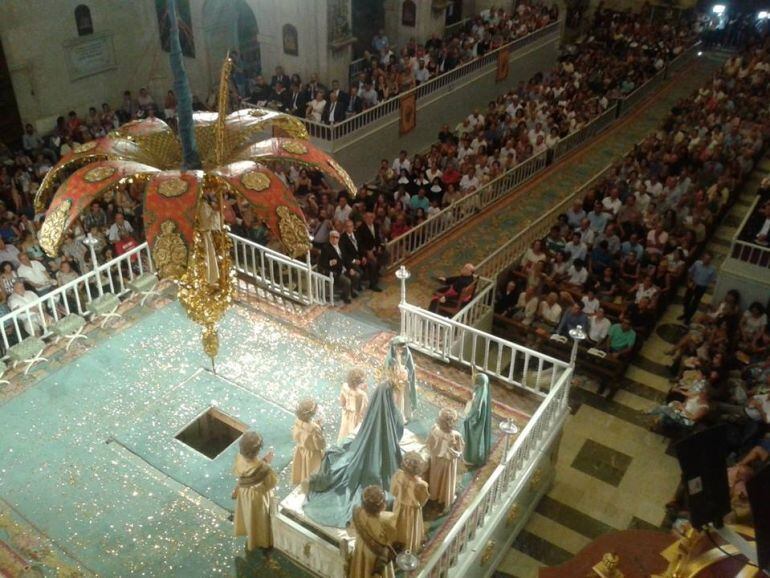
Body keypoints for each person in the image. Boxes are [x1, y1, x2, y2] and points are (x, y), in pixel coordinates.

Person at [304, 381, 404, 528]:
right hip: (385, 455)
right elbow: (399, 433)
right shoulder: (395, 413)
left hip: (361, 449)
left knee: (339, 457)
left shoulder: (372, 409)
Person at [231, 431, 277, 551]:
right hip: (257, 496)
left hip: (245, 493)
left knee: (248, 514)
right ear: (258, 449)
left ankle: (250, 534)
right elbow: (270, 484)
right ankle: (262, 540)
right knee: (260, 518)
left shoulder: (239, 459)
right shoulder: (264, 468)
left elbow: (243, 472)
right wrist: (266, 462)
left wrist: (263, 461)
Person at [349, 485, 398, 578]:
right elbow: (392, 540)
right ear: (382, 505)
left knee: (361, 570)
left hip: (361, 548)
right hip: (376, 558)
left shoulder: (358, 512)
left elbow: (353, 528)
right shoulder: (388, 520)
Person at [390, 452, 429, 554]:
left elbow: (393, 491)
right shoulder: (421, 485)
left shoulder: (397, 475)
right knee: (410, 527)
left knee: (398, 522)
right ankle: (409, 544)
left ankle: (396, 540)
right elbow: (423, 500)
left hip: (399, 504)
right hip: (412, 510)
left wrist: (401, 497)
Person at [426, 408, 464, 511]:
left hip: (437, 459)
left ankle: (434, 494)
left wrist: (435, 450)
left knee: (435, 477)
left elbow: (429, 444)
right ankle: (444, 496)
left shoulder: (435, 430)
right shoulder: (456, 435)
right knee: (446, 479)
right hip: (448, 461)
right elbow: (459, 450)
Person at [291, 398, 326, 486]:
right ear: (312, 413)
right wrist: (320, 429)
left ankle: (303, 482)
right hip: (313, 454)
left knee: (303, 467)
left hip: (301, 449)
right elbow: (320, 445)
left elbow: (296, 435)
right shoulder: (314, 428)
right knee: (312, 470)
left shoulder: (297, 422)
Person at [383, 336, 417, 422]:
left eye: (402, 349)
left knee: (402, 399)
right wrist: (392, 377)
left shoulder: (407, 354)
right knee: (393, 398)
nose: (400, 351)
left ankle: (402, 415)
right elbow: (387, 369)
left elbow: (410, 368)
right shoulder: (390, 357)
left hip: (402, 382)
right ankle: (391, 415)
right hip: (393, 381)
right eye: (398, 349)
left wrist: (406, 374)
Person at [462, 373, 492, 467]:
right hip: (482, 419)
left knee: (473, 439)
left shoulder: (479, 395)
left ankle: (470, 458)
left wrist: (467, 419)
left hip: (475, 423)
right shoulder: (484, 391)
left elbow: (475, 412)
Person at [318, 230, 356, 303]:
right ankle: (346, 297)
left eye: (337, 237)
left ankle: (349, 291)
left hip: (344, 267)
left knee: (356, 275)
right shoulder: (325, 248)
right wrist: (330, 262)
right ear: (330, 238)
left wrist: (350, 268)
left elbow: (345, 259)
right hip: (334, 271)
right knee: (347, 281)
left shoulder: (341, 245)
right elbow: (322, 263)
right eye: (333, 237)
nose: (335, 239)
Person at [680, 253, 716, 325]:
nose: (705, 260)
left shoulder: (712, 269)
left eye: (708, 259)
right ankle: (685, 313)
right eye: (705, 258)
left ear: (711, 260)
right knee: (686, 300)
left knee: (695, 303)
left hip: (701, 287)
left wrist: (707, 285)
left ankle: (688, 318)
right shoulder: (697, 263)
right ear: (702, 258)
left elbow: (713, 280)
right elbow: (690, 272)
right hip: (693, 283)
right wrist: (688, 282)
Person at [338, 367, 370, 442]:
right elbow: (364, 411)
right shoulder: (362, 395)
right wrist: (364, 391)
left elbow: (342, 403)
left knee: (344, 432)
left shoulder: (344, 386)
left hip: (346, 415)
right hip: (356, 419)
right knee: (353, 436)